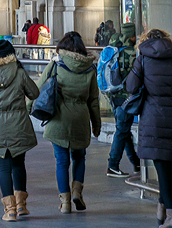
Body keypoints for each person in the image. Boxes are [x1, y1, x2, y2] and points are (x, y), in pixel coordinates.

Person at [0, 39, 40, 222]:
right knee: (18, 164)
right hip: (18, 124)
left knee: (3, 168)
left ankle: (9, 211)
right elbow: (34, 93)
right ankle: (22, 206)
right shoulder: (19, 72)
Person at [38, 31, 101, 213]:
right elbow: (93, 101)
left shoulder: (56, 65)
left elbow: (39, 88)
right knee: (79, 157)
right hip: (80, 119)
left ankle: (65, 202)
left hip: (59, 119)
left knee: (62, 161)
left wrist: (28, 108)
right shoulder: (90, 69)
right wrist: (96, 124)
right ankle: (77, 192)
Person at [125, 28, 172, 228]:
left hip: (154, 118)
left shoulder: (143, 58)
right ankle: (162, 207)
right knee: (168, 169)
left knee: (162, 168)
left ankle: (170, 215)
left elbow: (131, 87)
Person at [106, 22, 141, 177]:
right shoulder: (131, 53)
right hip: (126, 97)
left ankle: (136, 163)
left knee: (124, 130)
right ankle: (113, 165)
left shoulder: (114, 49)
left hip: (112, 95)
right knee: (122, 131)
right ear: (132, 35)